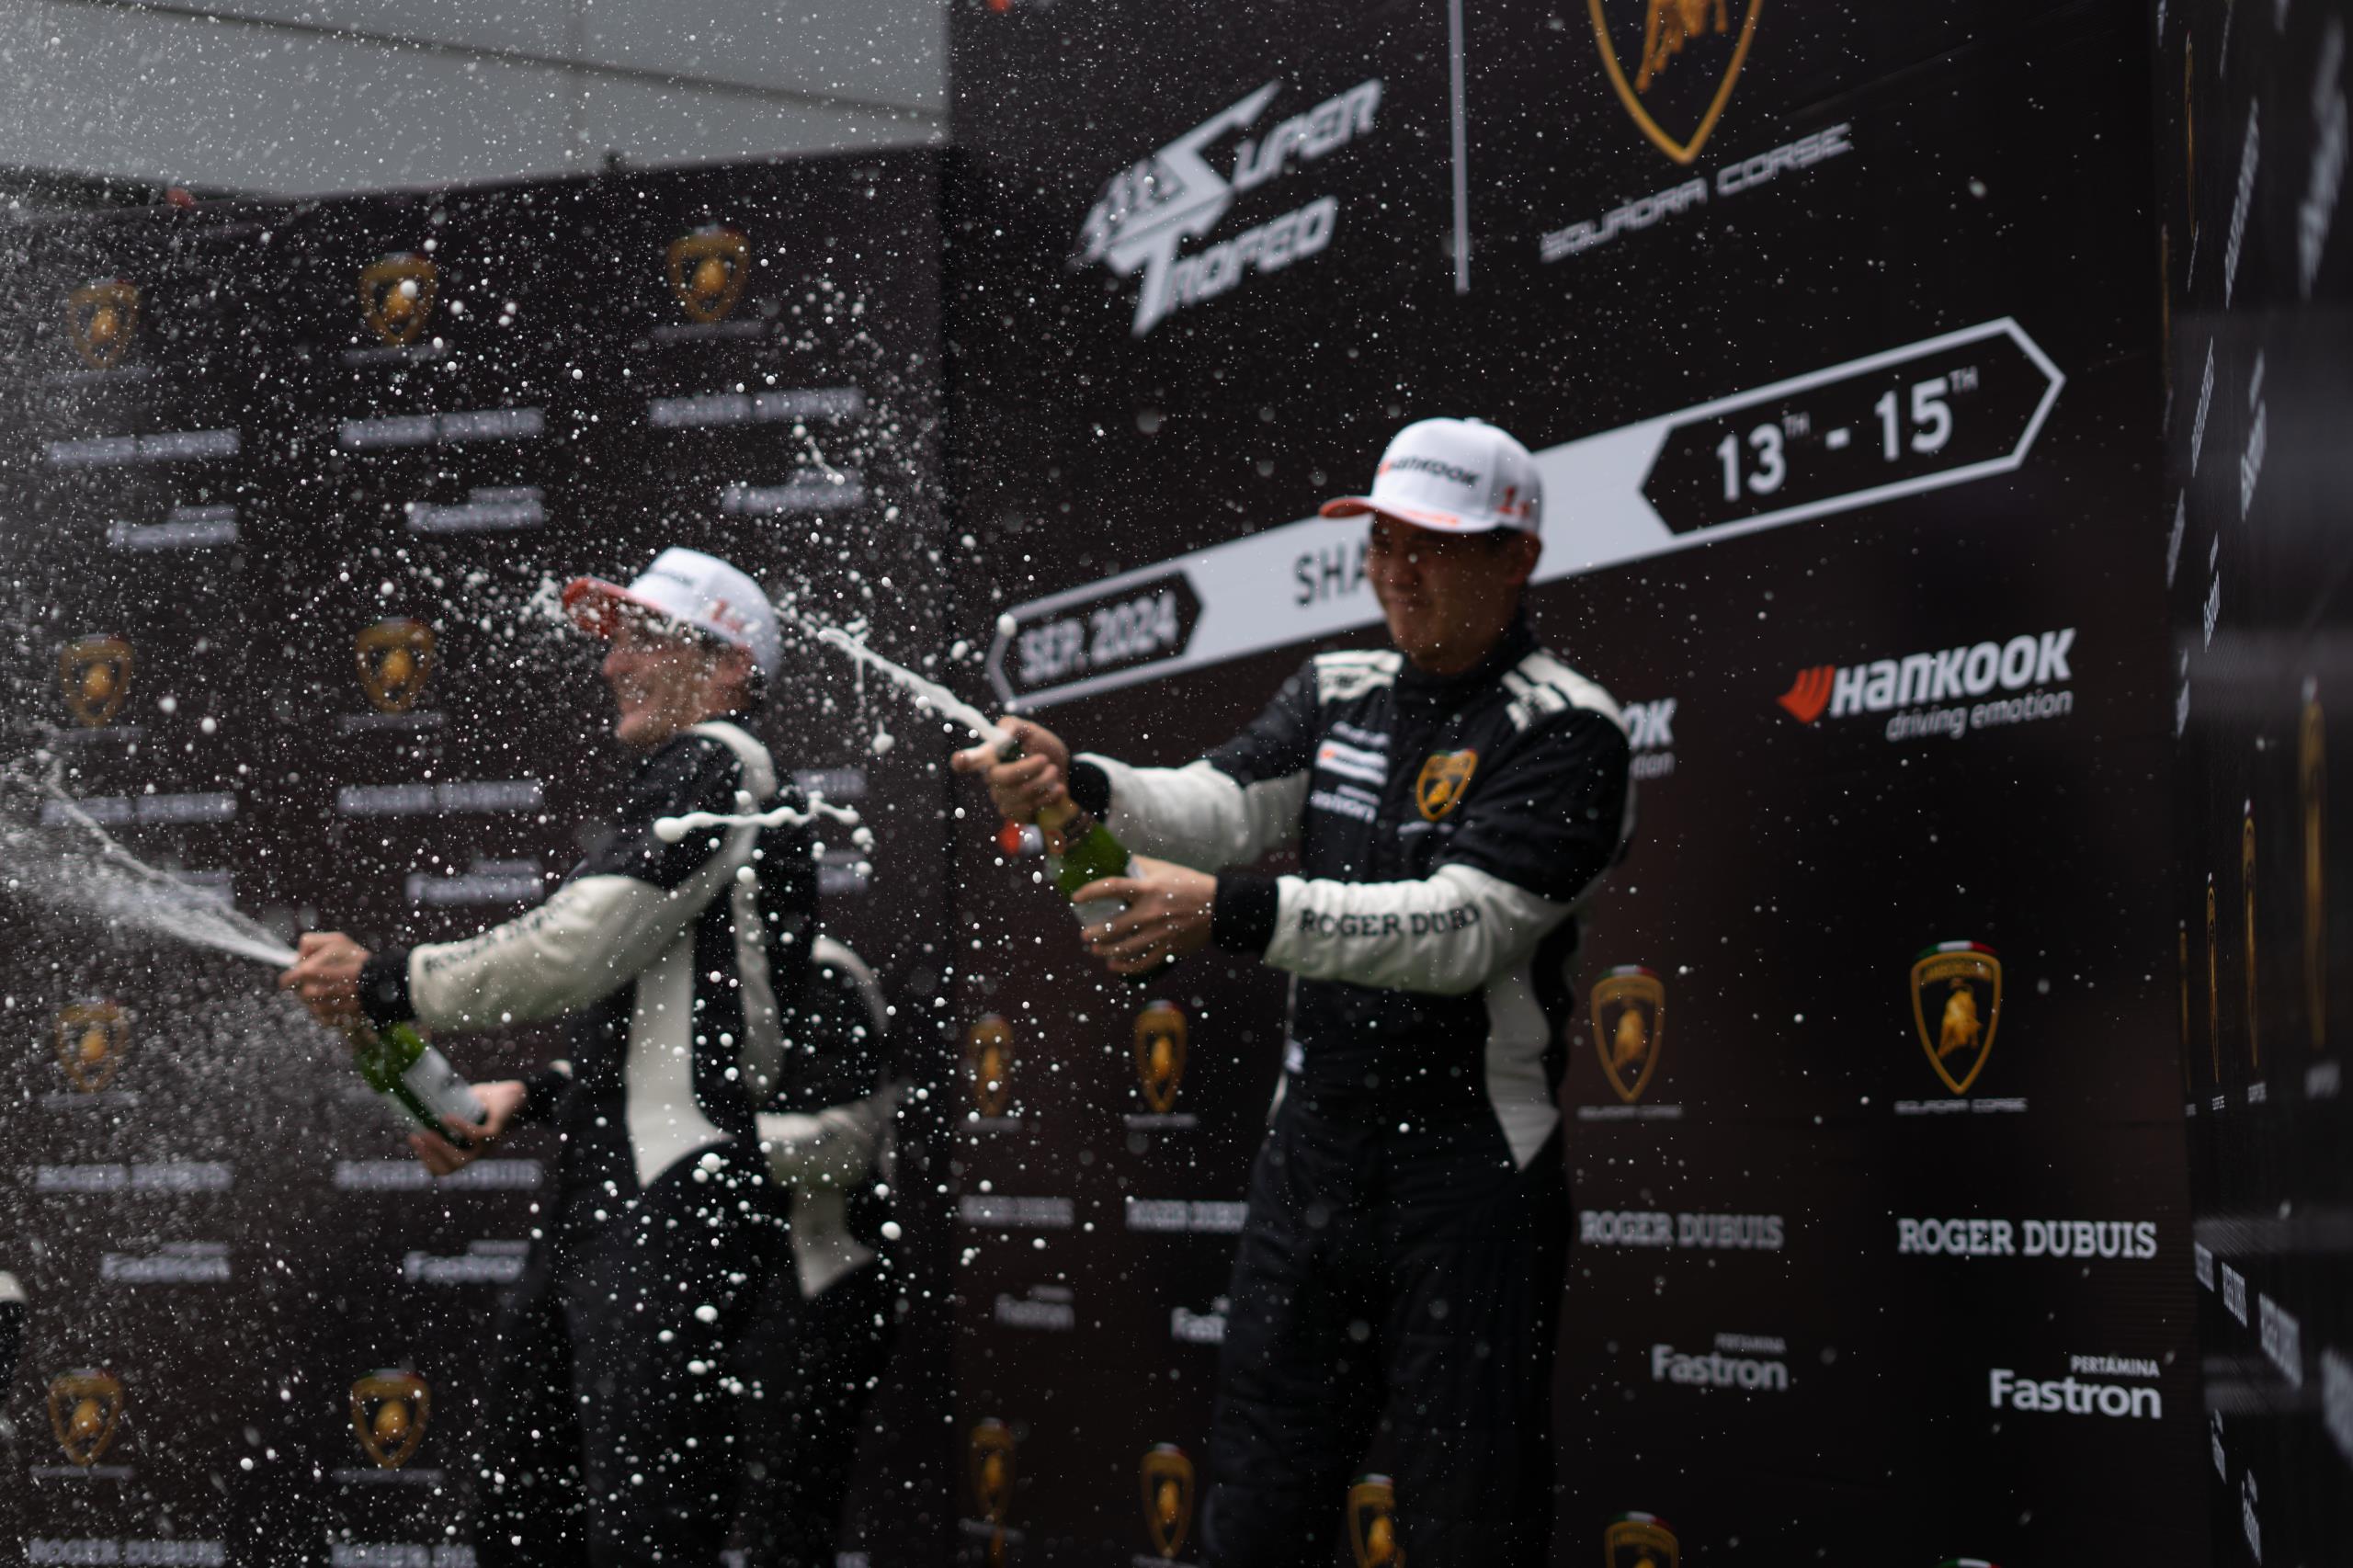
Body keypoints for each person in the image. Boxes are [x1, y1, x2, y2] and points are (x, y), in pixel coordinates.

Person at [955, 418, 1635, 1567]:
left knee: (1469, 1523)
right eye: (1383, 542)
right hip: (1308, 1158)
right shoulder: (1337, 687)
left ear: (1516, 556)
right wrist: (1083, 783)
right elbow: (1217, 805)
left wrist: (1228, 912)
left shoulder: (1571, 727)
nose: (1398, 572)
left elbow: (1460, 931)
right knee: (1260, 1507)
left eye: (1434, 545)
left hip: (1470, 1173)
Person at [283, 546, 822, 1566]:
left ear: (727, 666)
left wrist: (386, 980)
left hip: (676, 1208)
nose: (613, 664)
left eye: (644, 639)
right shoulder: (687, 780)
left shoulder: (720, 762)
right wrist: (527, 1096)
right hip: (613, 1200)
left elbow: (579, 947)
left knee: (639, 1539)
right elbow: (668, 1030)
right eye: (614, 642)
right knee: (527, 1528)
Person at [730, 937, 898, 1568]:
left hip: (814, 1280)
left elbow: (844, 1144)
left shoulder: (820, 970)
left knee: (787, 1520)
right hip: (710, 1286)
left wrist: (693, 1138)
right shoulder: (668, 973)